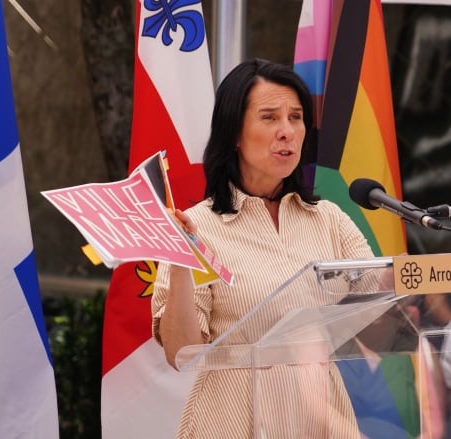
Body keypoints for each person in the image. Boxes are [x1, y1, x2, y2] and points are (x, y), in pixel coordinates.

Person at [151, 59, 377, 438]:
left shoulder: (329, 219)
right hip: (233, 419)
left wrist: (412, 278)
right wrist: (179, 261)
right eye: (270, 117)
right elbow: (181, 352)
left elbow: (381, 306)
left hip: (319, 416)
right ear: (235, 133)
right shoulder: (197, 226)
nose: (287, 131)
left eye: (296, 117)